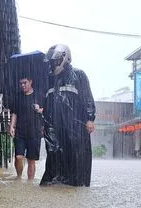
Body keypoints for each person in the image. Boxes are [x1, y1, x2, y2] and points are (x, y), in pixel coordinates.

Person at [40, 44, 96, 187]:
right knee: (53, 152)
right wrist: (44, 124)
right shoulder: (49, 79)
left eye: (57, 60)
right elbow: (46, 104)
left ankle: (75, 183)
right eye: (53, 61)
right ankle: (54, 182)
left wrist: (90, 118)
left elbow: (87, 98)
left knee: (75, 153)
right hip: (53, 125)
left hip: (74, 124)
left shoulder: (78, 75)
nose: (54, 64)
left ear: (66, 58)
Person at [8, 75, 45, 180]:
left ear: (30, 82)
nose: (22, 85)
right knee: (18, 157)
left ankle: (30, 183)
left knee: (31, 160)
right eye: (21, 83)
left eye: (25, 83)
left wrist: (39, 110)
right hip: (20, 131)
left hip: (35, 132)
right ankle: (19, 177)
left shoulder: (39, 95)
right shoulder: (18, 97)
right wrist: (11, 126)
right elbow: (14, 113)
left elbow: (46, 111)